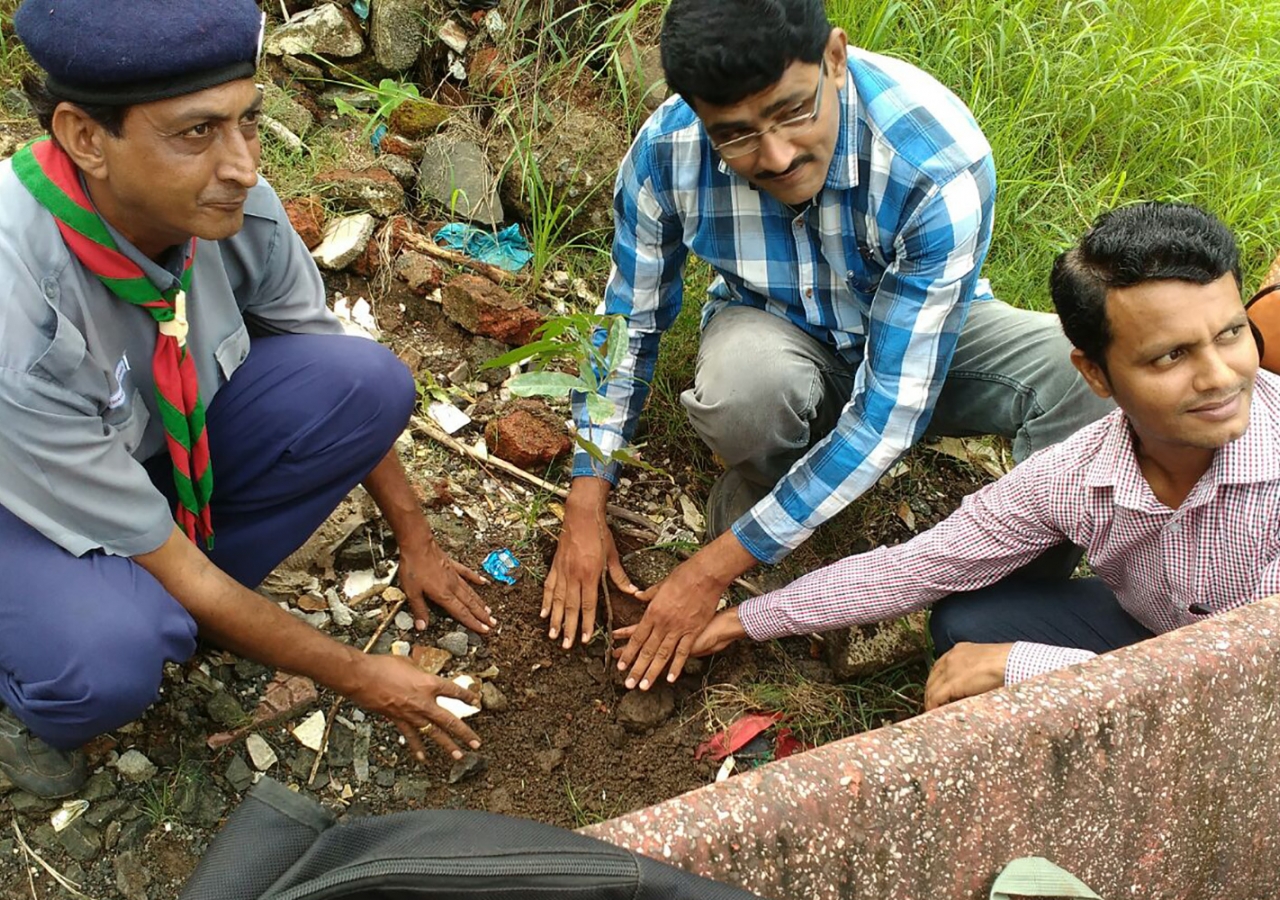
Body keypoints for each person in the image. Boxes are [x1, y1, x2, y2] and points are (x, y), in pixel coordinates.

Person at [0, 0, 494, 799]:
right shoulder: (16, 307)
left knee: (369, 384)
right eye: (196, 132)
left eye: (248, 122)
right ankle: (28, 696)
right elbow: (171, 566)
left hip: (143, 459)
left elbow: (336, 372)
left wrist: (416, 537)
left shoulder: (225, 207)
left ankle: (195, 613)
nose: (243, 166)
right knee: (112, 654)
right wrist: (357, 674)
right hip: (20, 503)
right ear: (85, 138)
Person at [541, 0, 1113, 690]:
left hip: (923, 343)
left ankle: (1006, 600)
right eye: (738, 136)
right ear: (694, 111)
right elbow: (627, 323)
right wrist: (586, 498)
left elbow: (889, 410)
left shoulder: (934, 159)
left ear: (835, 59)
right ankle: (771, 491)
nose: (776, 156)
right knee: (741, 396)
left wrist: (710, 569)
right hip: (777, 328)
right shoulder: (666, 155)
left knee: (1077, 372)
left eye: (791, 112)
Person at [679, 201, 1280, 710]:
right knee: (965, 625)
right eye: (1171, 357)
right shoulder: (1078, 475)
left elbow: (1252, 689)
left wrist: (1024, 666)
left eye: (1231, 334)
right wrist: (739, 622)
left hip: (1250, 688)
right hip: (1170, 632)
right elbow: (918, 567)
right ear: (1095, 373)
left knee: (998, 656)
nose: (1220, 377)